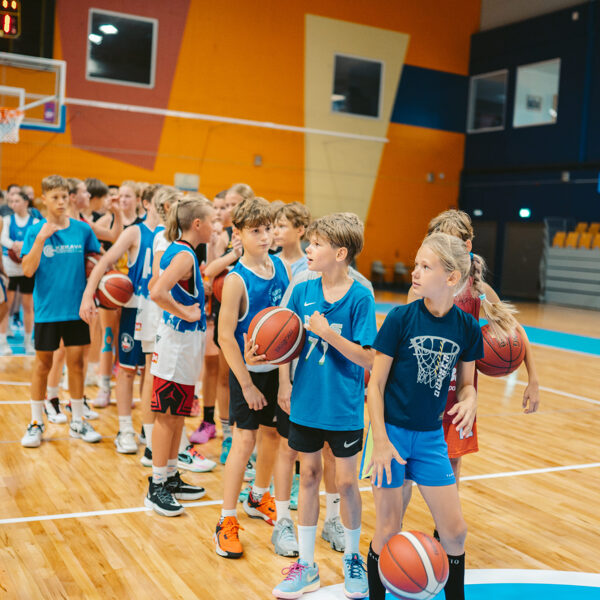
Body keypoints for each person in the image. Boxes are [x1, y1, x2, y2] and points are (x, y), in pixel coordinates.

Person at [362, 232, 485, 600]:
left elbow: (466, 384)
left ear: (450, 278)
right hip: (392, 436)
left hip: (431, 438)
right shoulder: (400, 318)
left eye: (425, 266)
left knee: (455, 531)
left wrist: (470, 399)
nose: (415, 272)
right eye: (416, 264)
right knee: (387, 529)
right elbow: (375, 387)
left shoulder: (466, 327)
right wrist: (381, 444)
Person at [401, 210, 540, 529]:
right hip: (423, 392)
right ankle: (393, 529)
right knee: (406, 467)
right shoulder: (420, 290)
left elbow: (514, 331)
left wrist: (533, 379)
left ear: (467, 246)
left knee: (452, 462)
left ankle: (444, 530)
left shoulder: (479, 290)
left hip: (461, 392)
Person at [272, 213, 376, 599]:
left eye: (317, 244)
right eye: (310, 242)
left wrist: (329, 333)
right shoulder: (302, 290)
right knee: (310, 477)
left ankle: (352, 558)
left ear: (341, 253)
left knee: (346, 482)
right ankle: (307, 564)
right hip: (306, 402)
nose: (309, 250)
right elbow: (287, 342)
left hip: (344, 406)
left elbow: (368, 359)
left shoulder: (361, 297)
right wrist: (276, 370)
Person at [214, 196, 289, 559]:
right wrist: (245, 383)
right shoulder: (235, 279)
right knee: (244, 442)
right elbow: (224, 335)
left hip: (277, 371)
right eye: (255, 231)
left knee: (272, 434)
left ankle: (258, 497)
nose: (264, 236)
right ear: (238, 234)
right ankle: (226, 520)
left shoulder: (280, 267)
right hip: (248, 374)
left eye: (268, 229)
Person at [20, 175, 103, 448]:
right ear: (43, 199)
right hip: (47, 310)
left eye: (64, 196)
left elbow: (96, 264)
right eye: (54, 197)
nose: (60, 202)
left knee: (77, 364)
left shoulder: (82, 229)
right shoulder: (35, 230)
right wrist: (41, 240)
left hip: (76, 309)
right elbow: (27, 270)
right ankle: (36, 422)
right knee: (43, 365)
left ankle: (78, 421)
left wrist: (91, 295)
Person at [144, 197, 215, 516]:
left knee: (177, 414)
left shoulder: (182, 251)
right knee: (167, 416)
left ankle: (171, 475)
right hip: (176, 344)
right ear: (197, 224)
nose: (217, 226)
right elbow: (156, 291)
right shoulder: (184, 255)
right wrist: (184, 312)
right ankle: (157, 484)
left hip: (184, 345)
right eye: (212, 221)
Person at [80, 183, 162, 455]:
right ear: (147, 203)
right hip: (134, 308)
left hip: (161, 311)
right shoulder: (134, 231)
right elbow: (104, 262)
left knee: (151, 373)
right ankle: (125, 428)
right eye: (160, 202)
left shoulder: (172, 235)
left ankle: (147, 429)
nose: (166, 208)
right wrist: (89, 294)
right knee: (127, 370)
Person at [203, 183, 254, 462]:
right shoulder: (225, 237)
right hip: (227, 311)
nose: (227, 208)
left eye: (233, 204)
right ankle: (227, 434)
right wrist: (234, 253)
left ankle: (251, 437)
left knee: (253, 377)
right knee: (226, 375)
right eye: (225, 204)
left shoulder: (259, 236)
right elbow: (210, 272)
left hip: (253, 313)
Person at [0, 189, 40, 354]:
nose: (13, 204)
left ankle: (28, 342)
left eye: (17, 201)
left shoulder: (36, 221)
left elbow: (38, 240)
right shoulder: (8, 220)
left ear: (26, 203)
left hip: (26, 267)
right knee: (6, 304)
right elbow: (2, 238)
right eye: (11, 201)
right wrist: (13, 245)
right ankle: (3, 341)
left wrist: (23, 246)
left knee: (28, 306)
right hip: (10, 267)